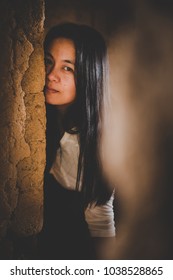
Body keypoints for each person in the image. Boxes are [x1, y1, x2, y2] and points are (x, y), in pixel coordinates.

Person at [38, 22, 115, 260]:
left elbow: (100, 218)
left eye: (68, 68)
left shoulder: (92, 142)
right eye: (48, 61)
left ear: (89, 75)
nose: (51, 75)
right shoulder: (35, 116)